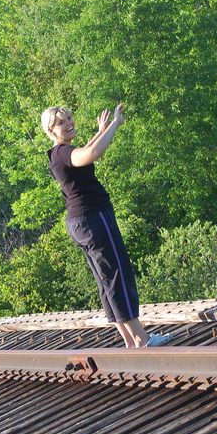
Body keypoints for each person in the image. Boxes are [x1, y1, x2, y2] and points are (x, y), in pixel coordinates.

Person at [42, 103, 171, 348]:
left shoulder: (59, 153)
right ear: (51, 130)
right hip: (93, 218)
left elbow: (87, 149)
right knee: (117, 274)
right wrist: (115, 124)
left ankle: (130, 340)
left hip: (81, 222)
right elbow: (91, 155)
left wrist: (100, 131)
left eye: (69, 118)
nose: (68, 123)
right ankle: (142, 339)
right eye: (61, 122)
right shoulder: (62, 153)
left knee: (106, 279)